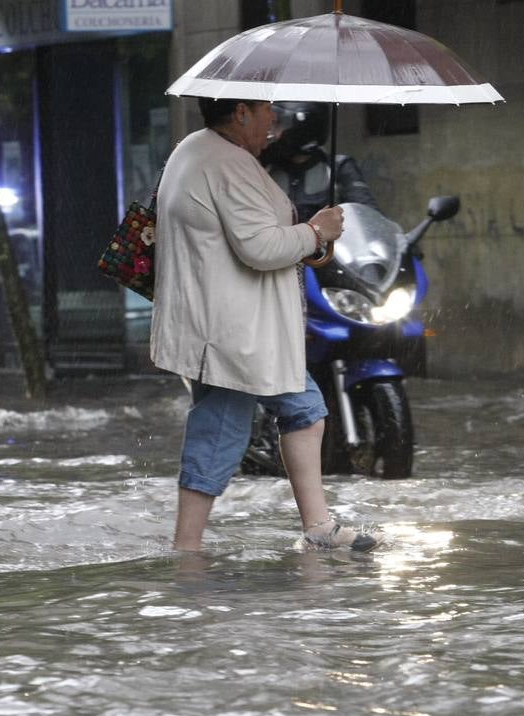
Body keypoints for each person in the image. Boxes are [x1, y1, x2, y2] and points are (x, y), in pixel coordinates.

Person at [150, 96, 383, 553]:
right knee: (221, 431)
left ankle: (317, 527)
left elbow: (253, 231)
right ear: (240, 112)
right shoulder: (225, 162)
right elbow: (257, 246)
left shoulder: (196, 150)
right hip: (231, 333)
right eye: (266, 108)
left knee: (305, 410)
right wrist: (315, 232)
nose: (273, 117)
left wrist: (314, 240)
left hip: (241, 329)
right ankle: (187, 547)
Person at [260, 101, 380, 221]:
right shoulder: (262, 167)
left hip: (327, 239)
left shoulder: (337, 168)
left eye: (278, 125)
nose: (272, 134)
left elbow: (369, 215)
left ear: (301, 127)